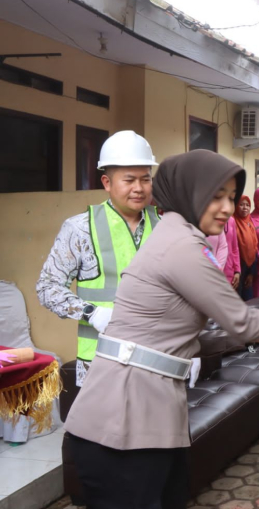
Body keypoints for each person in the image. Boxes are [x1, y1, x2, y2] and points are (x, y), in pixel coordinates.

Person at [63, 149, 259, 509]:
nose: (225, 207)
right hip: (122, 425)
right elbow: (240, 320)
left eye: (231, 197)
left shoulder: (177, 237)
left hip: (144, 418)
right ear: (188, 193)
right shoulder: (183, 247)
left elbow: (188, 332)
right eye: (215, 196)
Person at [36, 131, 160, 387]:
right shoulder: (80, 228)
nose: (139, 188)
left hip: (157, 358)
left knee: (152, 427)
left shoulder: (165, 227)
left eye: (145, 179)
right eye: (129, 180)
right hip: (100, 363)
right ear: (107, 182)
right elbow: (47, 288)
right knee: (103, 427)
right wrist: (91, 313)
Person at [233, 196, 258, 300]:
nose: (245, 208)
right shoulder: (232, 222)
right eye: (241, 204)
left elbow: (254, 246)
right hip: (238, 267)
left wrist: (252, 273)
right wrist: (236, 271)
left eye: (247, 205)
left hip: (251, 266)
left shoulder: (250, 223)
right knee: (237, 298)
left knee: (249, 299)